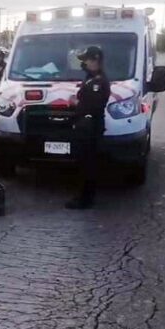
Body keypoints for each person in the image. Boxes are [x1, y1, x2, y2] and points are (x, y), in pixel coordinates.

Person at [66, 46, 111, 210]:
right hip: (85, 126)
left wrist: (76, 103)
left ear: (95, 60)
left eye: (86, 60)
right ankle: (84, 196)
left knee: (87, 164)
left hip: (90, 127)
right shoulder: (91, 78)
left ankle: (84, 199)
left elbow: (94, 106)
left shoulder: (98, 81)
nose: (84, 63)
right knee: (84, 163)